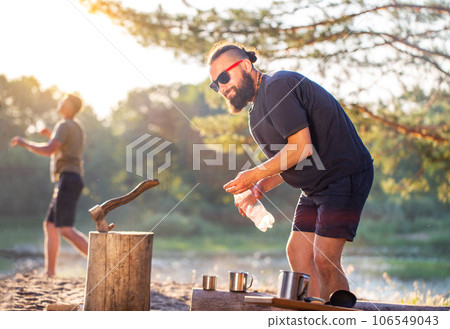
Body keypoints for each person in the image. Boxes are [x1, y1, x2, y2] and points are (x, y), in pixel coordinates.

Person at [207, 41, 373, 300]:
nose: (222, 86)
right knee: (298, 253)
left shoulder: (278, 86)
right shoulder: (255, 118)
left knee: (324, 258)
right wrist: (258, 189)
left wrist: (253, 175)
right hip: (314, 186)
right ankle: (317, 314)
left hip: (343, 174)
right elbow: (287, 163)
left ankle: (340, 318)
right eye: (215, 83)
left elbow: (301, 148)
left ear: (247, 65)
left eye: (224, 76)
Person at [10, 94, 88, 277]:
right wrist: (50, 135)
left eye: (64, 101)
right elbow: (65, 148)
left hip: (68, 179)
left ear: (70, 107)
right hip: (70, 179)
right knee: (51, 225)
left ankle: (104, 260)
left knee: (65, 229)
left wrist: (24, 143)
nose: (60, 103)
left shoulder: (64, 125)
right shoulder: (75, 126)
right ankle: (50, 272)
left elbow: (48, 150)